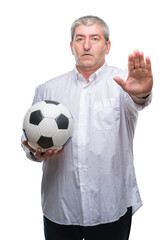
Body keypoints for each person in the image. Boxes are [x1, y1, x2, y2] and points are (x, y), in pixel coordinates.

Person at [22, 15, 153, 240]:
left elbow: (139, 101)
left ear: (107, 45)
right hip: (61, 208)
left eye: (95, 38)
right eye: (79, 38)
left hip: (111, 207)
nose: (86, 45)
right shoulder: (47, 90)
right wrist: (35, 153)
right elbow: (28, 142)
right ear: (71, 45)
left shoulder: (125, 83)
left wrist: (141, 92)